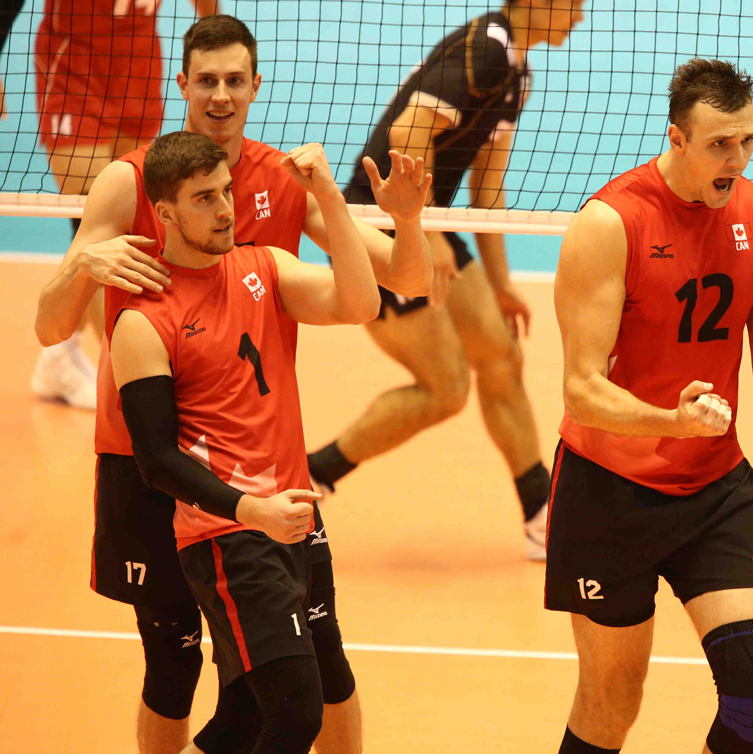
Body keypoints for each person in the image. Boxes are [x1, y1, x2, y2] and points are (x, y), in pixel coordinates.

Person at [32, 15, 431, 754]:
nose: (220, 95)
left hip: (255, 453)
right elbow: (52, 327)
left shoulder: (281, 181)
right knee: (175, 668)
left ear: (255, 86)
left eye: (234, 80)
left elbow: (402, 277)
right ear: (180, 85)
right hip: (147, 460)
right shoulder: (130, 181)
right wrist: (81, 268)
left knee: (311, 670)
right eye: (205, 80)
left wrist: (405, 220)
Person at [547, 58, 753, 754]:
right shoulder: (609, 223)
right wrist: (668, 423)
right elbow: (581, 390)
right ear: (677, 139)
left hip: (714, 488)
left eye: (747, 140)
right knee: (610, 704)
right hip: (608, 492)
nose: (736, 160)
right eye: (720, 144)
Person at [109, 130, 395, 754]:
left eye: (226, 193)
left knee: (242, 721)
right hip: (229, 536)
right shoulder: (142, 320)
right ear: (164, 213)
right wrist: (251, 511)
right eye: (203, 199)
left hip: (290, 519)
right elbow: (156, 463)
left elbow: (361, 303)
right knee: (296, 714)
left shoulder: (264, 265)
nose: (223, 209)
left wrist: (329, 196)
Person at [308, 0, 587, 560]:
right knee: (446, 389)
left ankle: (539, 514)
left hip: (428, 220)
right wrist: (424, 238)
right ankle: (312, 474)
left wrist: (501, 282)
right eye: (575, 5)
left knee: (501, 353)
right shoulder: (484, 51)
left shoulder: (517, 70)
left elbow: (486, 187)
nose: (579, 17)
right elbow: (406, 135)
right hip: (380, 230)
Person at [0, 0, 219, 409]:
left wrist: (212, 31)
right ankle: (133, 384)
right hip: (75, 70)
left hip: (138, 69)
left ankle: (59, 358)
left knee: (135, 225)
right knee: (98, 227)